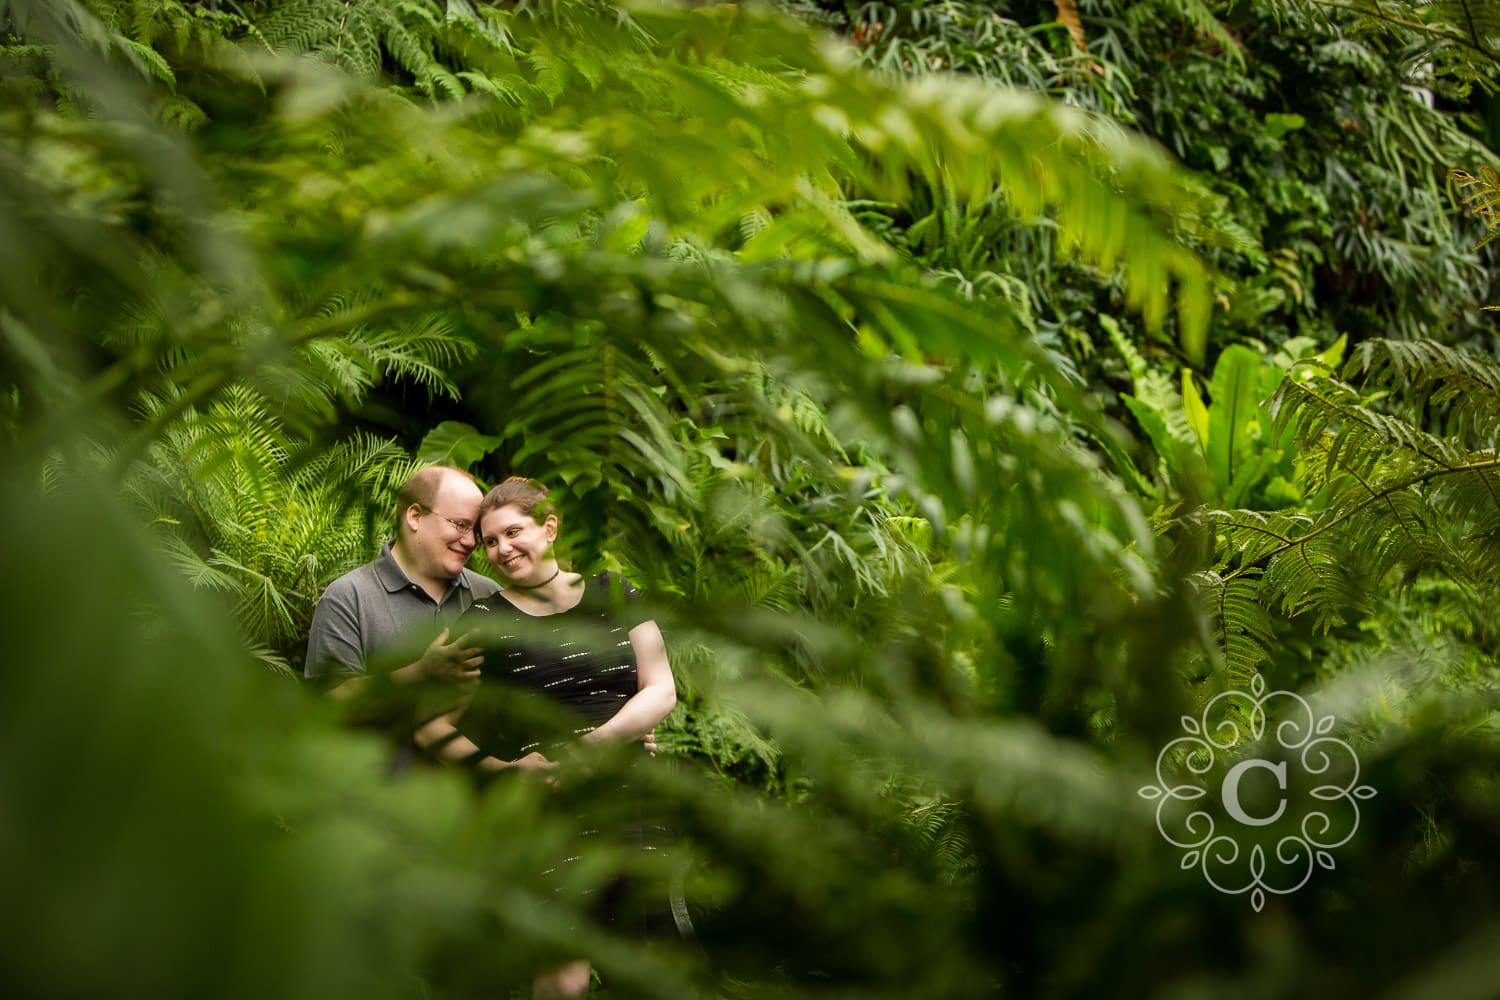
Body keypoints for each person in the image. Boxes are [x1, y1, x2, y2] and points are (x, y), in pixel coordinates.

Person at [412, 476, 677, 998]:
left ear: (549, 528)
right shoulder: (486, 620)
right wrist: (506, 770)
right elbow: (430, 725)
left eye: (514, 532)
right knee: (560, 976)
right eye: (490, 541)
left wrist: (597, 744)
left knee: (648, 964)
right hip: (550, 816)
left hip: (634, 802)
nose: (502, 549)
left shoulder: (615, 593)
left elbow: (662, 689)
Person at [303, 464, 501, 698]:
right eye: (460, 525)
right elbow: (326, 704)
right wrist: (420, 671)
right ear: (415, 516)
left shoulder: (488, 594)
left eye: (475, 531)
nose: (470, 542)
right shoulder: (347, 597)